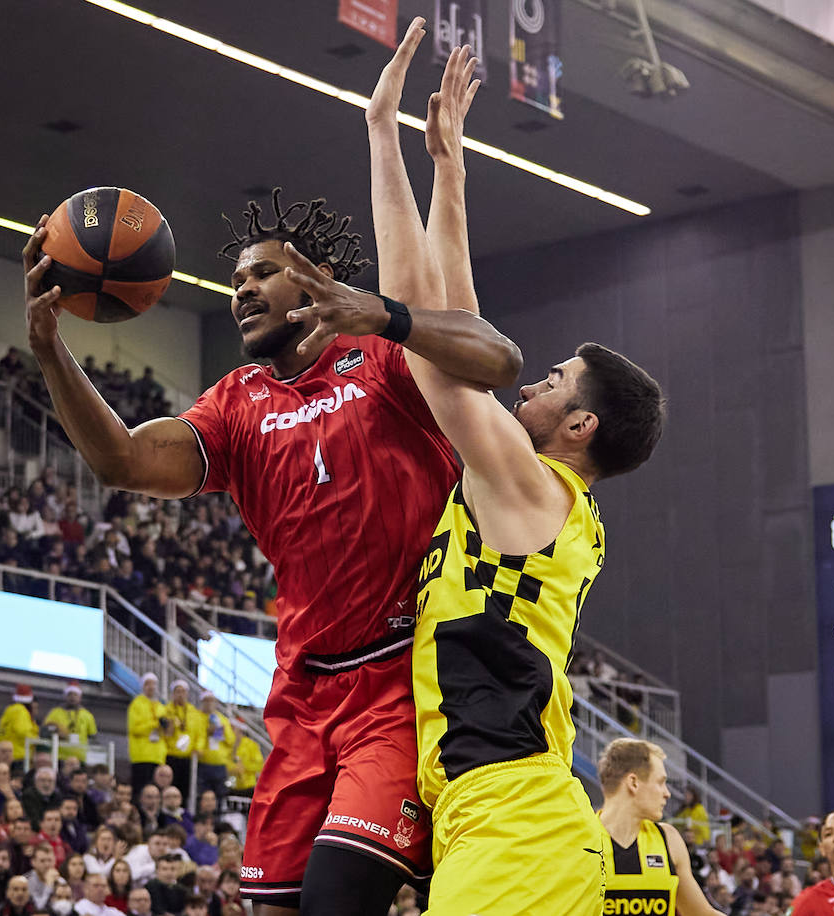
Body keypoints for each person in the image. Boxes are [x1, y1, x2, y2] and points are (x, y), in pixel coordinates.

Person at [23, 32, 523, 914]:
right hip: (299, 690)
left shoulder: (383, 358)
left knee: (339, 896)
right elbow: (123, 461)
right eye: (235, 281)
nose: (243, 289)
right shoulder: (236, 400)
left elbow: (498, 360)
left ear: (315, 282)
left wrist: (394, 313)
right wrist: (51, 349)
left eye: (262, 274)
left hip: (398, 680)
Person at [279, 23, 658, 915]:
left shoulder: (531, 486)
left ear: (579, 425)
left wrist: (380, 140)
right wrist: (445, 170)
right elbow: (459, 324)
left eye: (553, 381)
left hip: (517, 822)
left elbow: (432, 342)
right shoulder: (526, 488)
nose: (531, 381)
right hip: (493, 813)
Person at [595, 740, 723, 916]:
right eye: (661, 782)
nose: (667, 793)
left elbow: (701, 913)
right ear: (633, 782)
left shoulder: (669, 839)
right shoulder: (581, 841)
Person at [156, 684, 202, 801]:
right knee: (167, 788)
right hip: (170, 755)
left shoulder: (193, 712)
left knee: (185, 791)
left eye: (183, 692)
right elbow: (163, 733)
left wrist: (197, 748)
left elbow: (199, 733)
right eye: (178, 691)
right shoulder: (166, 710)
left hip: (187, 757)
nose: (180, 695)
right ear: (173, 694)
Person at [125, 676, 167, 799]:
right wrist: (155, 724)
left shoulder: (161, 707)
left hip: (158, 757)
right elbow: (134, 729)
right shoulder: (136, 704)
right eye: (148, 684)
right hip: (141, 756)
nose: (151, 687)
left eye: (154, 684)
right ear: (143, 686)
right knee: (140, 792)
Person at [193, 693, 233, 802]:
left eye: (211, 700)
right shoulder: (197, 717)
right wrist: (207, 732)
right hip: (204, 763)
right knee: (203, 795)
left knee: (220, 795)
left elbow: (231, 740)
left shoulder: (222, 719)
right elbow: (196, 737)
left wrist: (222, 732)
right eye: (206, 701)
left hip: (220, 763)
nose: (209, 703)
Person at [43, 686, 96, 766]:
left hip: (80, 758)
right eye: (70, 694)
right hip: (59, 757)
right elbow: (45, 730)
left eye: (75, 694)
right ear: (65, 696)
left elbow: (92, 736)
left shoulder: (87, 715)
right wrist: (57, 732)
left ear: (80, 697)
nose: (72, 697)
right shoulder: (55, 712)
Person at [0, 688, 38, 770]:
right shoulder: (20, 710)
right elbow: (23, 732)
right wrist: (37, 739)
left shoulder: (9, 710)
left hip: (5, 755)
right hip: (18, 756)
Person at [226, 722, 262, 798]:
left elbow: (259, 765)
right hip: (232, 786)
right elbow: (225, 765)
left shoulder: (251, 745)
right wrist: (235, 768)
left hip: (249, 786)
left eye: (233, 729)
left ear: (240, 731)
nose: (230, 732)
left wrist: (244, 766)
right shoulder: (227, 746)